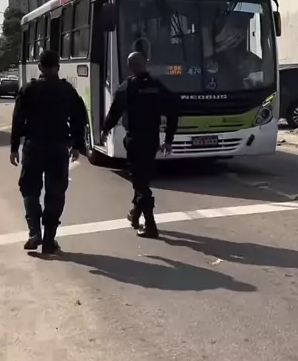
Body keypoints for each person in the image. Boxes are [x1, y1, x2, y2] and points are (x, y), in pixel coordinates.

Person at [10, 49, 87, 254]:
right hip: (58, 147)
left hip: (33, 146)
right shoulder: (67, 90)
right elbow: (79, 118)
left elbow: (18, 119)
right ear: (58, 67)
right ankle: (49, 240)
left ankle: (34, 232)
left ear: (39, 67)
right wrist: (77, 145)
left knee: (30, 189)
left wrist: (14, 147)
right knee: (56, 192)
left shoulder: (29, 89)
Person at [101, 51, 179, 239]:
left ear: (130, 67)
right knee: (142, 178)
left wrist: (105, 130)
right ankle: (135, 215)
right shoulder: (158, 86)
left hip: (135, 140)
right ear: (146, 63)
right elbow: (174, 111)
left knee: (140, 182)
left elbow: (114, 112)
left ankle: (150, 225)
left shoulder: (128, 86)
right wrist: (168, 140)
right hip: (152, 140)